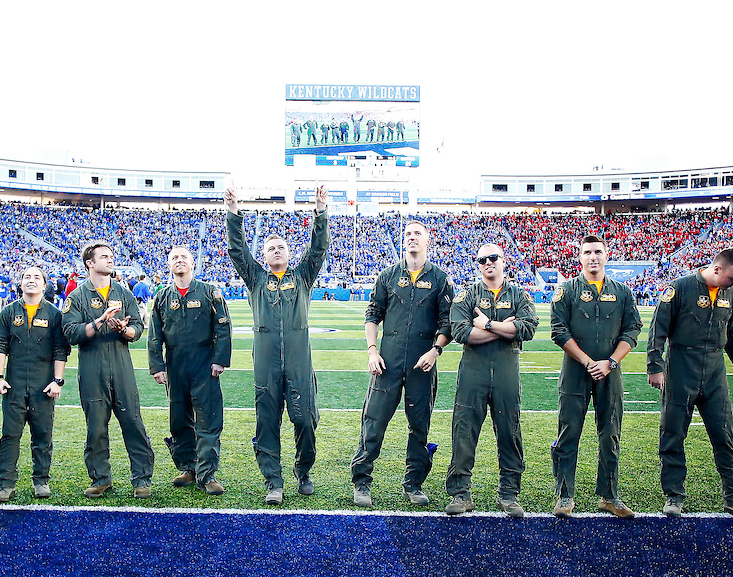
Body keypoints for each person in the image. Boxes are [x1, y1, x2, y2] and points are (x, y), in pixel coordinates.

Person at [226, 182, 329, 505]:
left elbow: (318, 249)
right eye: (270, 248)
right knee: (267, 422)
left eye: (281, 247)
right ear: (265, 257)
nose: (276, 251)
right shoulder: (256, 279)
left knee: (305, 420)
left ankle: (303, 469)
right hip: (266, 365)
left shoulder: (302, 277)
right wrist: (233, 212)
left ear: (289, 253)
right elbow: (237, 251)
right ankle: (274, 481)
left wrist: (321, 211)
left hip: (299, 364)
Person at [647, 248, 733, 522]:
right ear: (718, 269)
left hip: (714, 370)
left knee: (724, 435)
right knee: (672, 434)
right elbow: (657, 330)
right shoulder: (679, 289)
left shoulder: (729, 295)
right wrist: (655, 366)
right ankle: (674, 495)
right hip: (680, 367)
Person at [351, 219, 454, 508]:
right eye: (407, 234)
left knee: (419, 425)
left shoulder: (440, 279)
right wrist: (372, 351)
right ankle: (362, 481)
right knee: (373, 422)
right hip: (388, 361)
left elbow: (448, 322)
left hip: (423, 363)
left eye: (417, 233)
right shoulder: (387, 275)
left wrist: (435, 350)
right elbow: (372, 314)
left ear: (427, 240)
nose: (411, 238)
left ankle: (414, 483)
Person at [549, 235, 643, 519]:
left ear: (606, 255)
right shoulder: (566, 291)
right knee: (568, 433)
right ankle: (565, 496)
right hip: (576, 371)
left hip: (610, 373)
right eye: (587, 252)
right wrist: (590, 361)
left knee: (610, 433)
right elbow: (559, 332)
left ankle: (610, 496)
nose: (593, 257)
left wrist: (611, 362)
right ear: (580, 257)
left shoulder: (623, 292)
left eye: (598, 252)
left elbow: (632, 330)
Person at [444, 243, 538, 516]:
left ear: (504, 260)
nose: (488, 263)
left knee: (510, 431)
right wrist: (506, 329)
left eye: (493, 258)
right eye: (482, 259)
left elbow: (528, 328)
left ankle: (509, 494)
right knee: (464, 431)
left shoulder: (518, 294)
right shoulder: (467, 295)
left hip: (506, 373)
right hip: (473, 372)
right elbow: (461, 332)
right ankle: (461, 493)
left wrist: (486, 324)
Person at [61, 240, 155, 499]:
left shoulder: (123, 293)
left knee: (133, 422)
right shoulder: (77, 297)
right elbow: (70, 333)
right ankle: (101, 478)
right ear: (90, 263)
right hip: (92, 369)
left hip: (121, 367)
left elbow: (137, 328)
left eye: (111, 256)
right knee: (96, 427)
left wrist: (125, 330)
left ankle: (142, 479)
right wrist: (100, 320)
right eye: (104, 256)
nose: (110, 260)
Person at [148, 245, 232, 495]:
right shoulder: (162, 296)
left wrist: (220, 360)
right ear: (169, 265)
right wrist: (157, 366)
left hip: (203, 363)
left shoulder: (209, 292)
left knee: (207, 418)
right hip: (175, 364)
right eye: (174, 257)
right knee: (179, 418)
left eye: (184, 257)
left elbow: (223, 328)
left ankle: (208, 474)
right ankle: (188, 467)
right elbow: (154, 334)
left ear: (193, 263)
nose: (179, 261)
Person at [0, 265, 70, 502]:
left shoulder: (54, 315)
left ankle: (41, 480)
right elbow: (0, 344)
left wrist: (57, 381)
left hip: (42, 386)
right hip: (14, 384)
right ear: (21, 283)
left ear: (45, 285)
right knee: (9, 435)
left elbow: (60, 349)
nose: (31, 280)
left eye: (37, 277)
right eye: (27, 277)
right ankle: (6, 483)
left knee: (43, 435)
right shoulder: (8, 312)